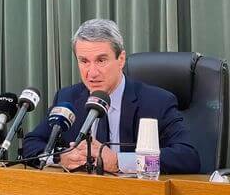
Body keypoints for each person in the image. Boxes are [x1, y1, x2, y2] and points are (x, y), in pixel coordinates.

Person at [23, 19, 200, 174]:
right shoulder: (68, 98)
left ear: (121, 59)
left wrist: (119, 161)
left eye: (101, 60)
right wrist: (59, 158)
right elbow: (31, 144)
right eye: (84, 61)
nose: (92, 73)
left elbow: (187, 156)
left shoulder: (156, 101)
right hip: (78, 194)